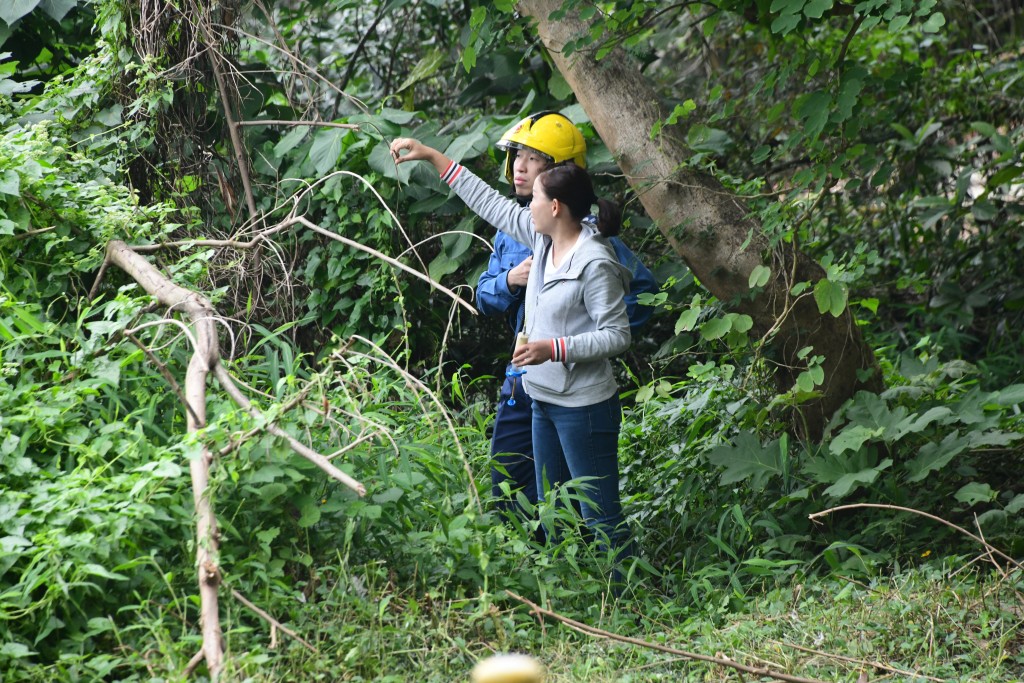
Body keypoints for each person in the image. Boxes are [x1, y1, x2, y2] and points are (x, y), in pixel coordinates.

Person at [389, 133, 637, 556]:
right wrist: (432, 155)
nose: (526, 205)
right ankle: (571, 594)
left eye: (535, 198)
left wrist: (552, 348)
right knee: (552, 507)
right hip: (542, 398)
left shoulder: (595, 261)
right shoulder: (542, 238)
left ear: (555, 207)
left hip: (584, 408)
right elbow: (487, 201)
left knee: (600, 514)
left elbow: (617, 336)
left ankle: (629, 596)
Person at [475, 112, 656, 520]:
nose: (520, 166)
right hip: (523, 380)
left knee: (585, 505)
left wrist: (574, 341)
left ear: (559, 176)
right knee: (510, 485)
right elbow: (483, 295)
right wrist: (509, 282)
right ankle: (533, 572)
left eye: (533, 158)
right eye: (517, 155)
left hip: (572, 391)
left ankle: (602, 578)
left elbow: (638, 298)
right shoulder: (518, 228)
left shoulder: (588, 240)